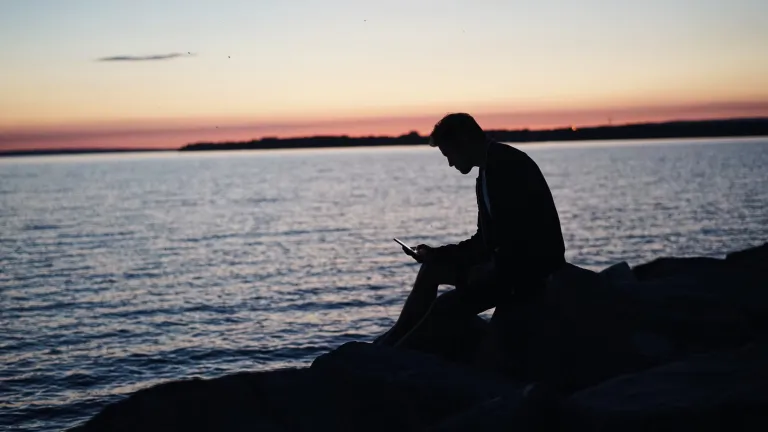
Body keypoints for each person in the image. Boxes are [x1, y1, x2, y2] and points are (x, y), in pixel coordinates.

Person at [376, 113, 566, 374]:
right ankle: (396, 339)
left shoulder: (506, 166)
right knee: (432, 269)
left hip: (528, 272)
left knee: (445, 308)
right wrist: (437, 254)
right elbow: (483, 241)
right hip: (506, 265)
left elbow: (521, 239)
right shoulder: (487, 172)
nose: (451, 164)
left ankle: (394, 361)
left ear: (463, 142)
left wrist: (486, 270)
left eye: (448, 155)